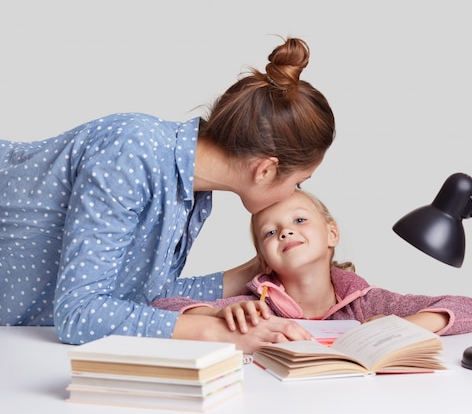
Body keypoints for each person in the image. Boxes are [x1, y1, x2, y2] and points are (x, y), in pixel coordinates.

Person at [0, 37, 335, 352]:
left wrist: (252, 274)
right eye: (299, 181)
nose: (294, 193)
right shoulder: (131, 151)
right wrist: (217, 334)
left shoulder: (192, 193)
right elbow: (79, 314)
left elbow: (139, 297)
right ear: (264, 170)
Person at [152, 189, 472, 351]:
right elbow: (159, 307)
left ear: (331, 234)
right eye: (270, 232)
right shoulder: (256, 309)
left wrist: (406, 326)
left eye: (299, 220)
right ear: (264, 260)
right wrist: (218, 315)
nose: (285, 231)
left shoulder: (368, 303)